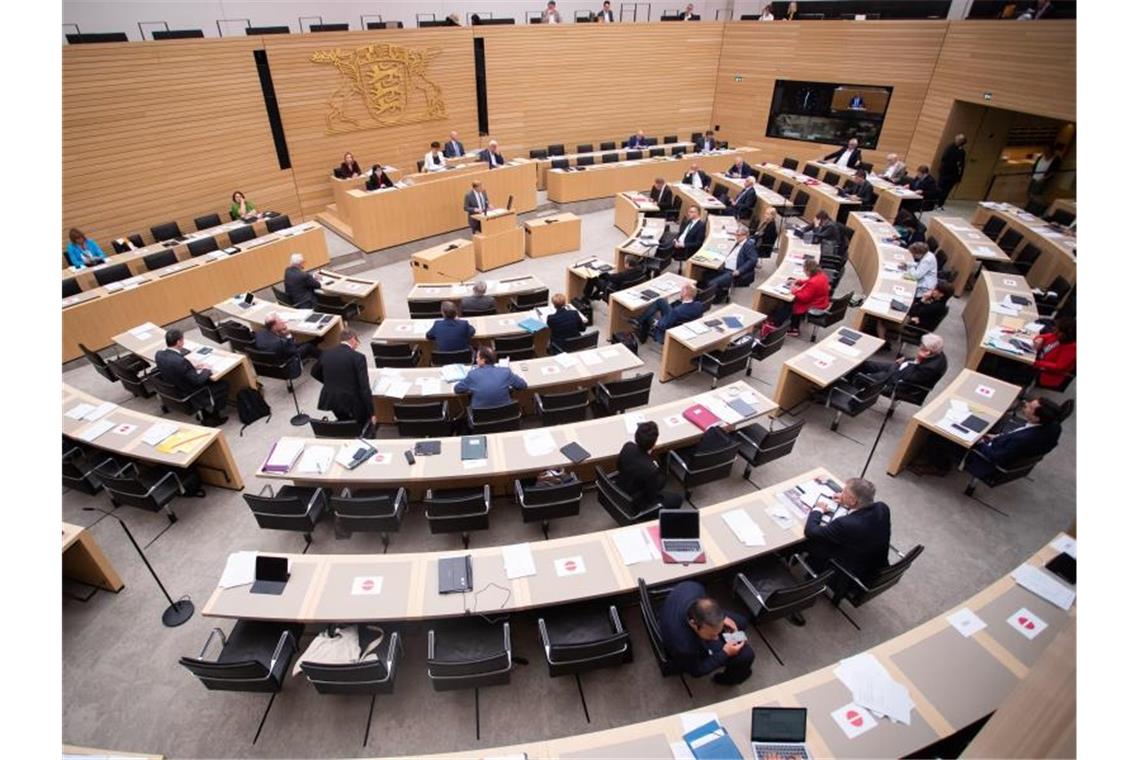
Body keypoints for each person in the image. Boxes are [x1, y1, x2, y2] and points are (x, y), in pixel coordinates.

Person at [657, 580, 755, 685]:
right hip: (680, 641)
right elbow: (696, 671)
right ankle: (727, 680)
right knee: (746, 655)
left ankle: (727, 636)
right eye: (712, 635)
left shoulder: (694, 587)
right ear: (693, 623)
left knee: (741, 622)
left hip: (675, 610)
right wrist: (725, 653)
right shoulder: (685, 647)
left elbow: (708, 608)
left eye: (718, 632)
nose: (716, 638)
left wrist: (720, 619)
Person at [803, 477, 891, 586]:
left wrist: (818, 509)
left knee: (807, 542)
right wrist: (846, 502)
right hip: (873, 565)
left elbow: (811, 531)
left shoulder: (846, 524)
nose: (841, 493)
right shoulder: (882, 508)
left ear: (853, 500)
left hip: (850, 573)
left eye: (844, 492)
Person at [963, 397, 1064, 479]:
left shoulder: (1022, 440)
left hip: (989, 458)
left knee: (952, 437)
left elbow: (995, 457)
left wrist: (980, 441)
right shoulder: (1055, 426)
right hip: (1010, 446)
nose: (1026, 404)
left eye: (1030, 407)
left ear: (1036, 418)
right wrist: (997, 436)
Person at [155, 328, 229, 425]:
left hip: (176, 388)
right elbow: (198, 380)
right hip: (191, 391)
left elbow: (175, 367)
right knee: (223, 384)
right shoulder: (180, 362)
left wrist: (192, 366)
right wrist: (206, 369)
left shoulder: (159, 355)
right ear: (178, 342)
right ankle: (215, 416)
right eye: (182, 340)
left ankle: (204, 411)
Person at [312, 328, 374, 427]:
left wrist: (329, 382)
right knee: (362, 421)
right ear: (353, 339)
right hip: (351, 401)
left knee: (344, 422)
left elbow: (314, 372)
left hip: (331, 399)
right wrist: (372, 413)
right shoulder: (358, 357)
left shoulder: (326, 353)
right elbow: (364, 388)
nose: (356, 346)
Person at [616, 421, 683, 510]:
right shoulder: (652, 470)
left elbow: (619, 466)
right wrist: (658, 472)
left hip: (620, 487)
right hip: (636, 501)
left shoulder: (628, 446)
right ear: (654, 443)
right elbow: (651, 496)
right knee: (676, 499)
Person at [858, 333, 948, 398]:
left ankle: (853, 390)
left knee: (866, 378)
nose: (919, 346)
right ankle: (855, 372)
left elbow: (907, 377)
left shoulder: (930, 368)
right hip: (900, 370)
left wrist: (918, 359)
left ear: (928, 351)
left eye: (922, 346)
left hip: (900, 383)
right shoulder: (936, 353)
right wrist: (906, 359)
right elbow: (913, 363)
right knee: (870, 365)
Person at [768, 256, 830, 337]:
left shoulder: (814, 282)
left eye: (804, 270)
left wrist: (793, 289)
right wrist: (797, 281)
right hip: (821, 302)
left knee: (789, 303)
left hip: (815, 306)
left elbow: (803, 298)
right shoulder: (821, 275)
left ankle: (791, 328)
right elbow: (809, 281)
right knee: (789, 302)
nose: (804, 272)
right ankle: (777, 320)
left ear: (808, 270)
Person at [877, 280, 951, 346]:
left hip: (913, 329)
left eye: (935, 289)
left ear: (941, 294)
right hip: (914, 323)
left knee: (882, 321)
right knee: (896, 311)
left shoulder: (935, 306)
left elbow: (912, 312)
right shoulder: (938, 303)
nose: (932, 290)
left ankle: (882, 344)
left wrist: (922, 301)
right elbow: (915, 312)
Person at [455, 346, 527, 408]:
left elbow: (457, 389)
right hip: (505, 416)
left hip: (480, 418)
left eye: (477, 357)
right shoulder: (506, 372)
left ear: (483, 360)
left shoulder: (472, 374)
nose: (476, 360)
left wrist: (471, 388)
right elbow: (523, 385)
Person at [636, 282, 706, 344]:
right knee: (661, 301)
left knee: (649, 317)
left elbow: (662, 325)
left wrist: (655, 321)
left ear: (684, 293)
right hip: (679, 323)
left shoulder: (677, 311)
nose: (680, 292)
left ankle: (640, 328)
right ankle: (640, 320)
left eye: (682, 290)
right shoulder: (699, 305)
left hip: (668, 331)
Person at [254, 313, 321, 376]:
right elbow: (294, 351)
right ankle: (325, 358)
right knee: (308, 347)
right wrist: (288, 335)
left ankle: (315, 341)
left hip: (273, 361)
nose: (284, 322)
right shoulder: (280, 342)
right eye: (281, 322)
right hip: (288, 365)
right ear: (274, 327)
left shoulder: (259, 333)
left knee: (303, 344)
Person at [707, 226, 760, 295]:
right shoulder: (738, 243)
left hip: (733, 272)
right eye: (736, 234)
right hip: (725, 267)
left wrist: (739, 270)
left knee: (712, 283)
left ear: (745, 235)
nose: (736, 237)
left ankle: (718, 298)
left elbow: (753, 260)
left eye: (738, 235)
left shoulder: (748, 245)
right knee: (706, 274)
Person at [581, 255, 647, 304]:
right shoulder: (641, 270)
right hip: (628, 289)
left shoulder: (623, 275)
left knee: (593, 278)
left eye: (625, 262)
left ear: (627, 264)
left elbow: (610, 278)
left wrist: (601, 271)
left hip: (612, 289)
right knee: (602, 277)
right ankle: (595, 295)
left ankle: (586, 297)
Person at [1032, 316, 1076, 389]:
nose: (1054, 330)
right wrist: (1040, 338)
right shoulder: (1057, 336)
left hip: (1046, 373)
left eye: (1057, 330)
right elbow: (1044, 336)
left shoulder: (1071, 348)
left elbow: (1058, 367)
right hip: (1037, 362)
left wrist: (1035, 362)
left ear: (1065, 334)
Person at [937, 134, 967, 208]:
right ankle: (935, 201)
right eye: (956, 139)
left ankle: (940, 203)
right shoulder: (950, 147)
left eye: (958, 139)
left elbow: (961, 165)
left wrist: (959, 177)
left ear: (961, 142)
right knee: (939, 187)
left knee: (946, 189)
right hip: (944, 171)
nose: (955, 140)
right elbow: (944, 158)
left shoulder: (961, 151)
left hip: (952, 175)